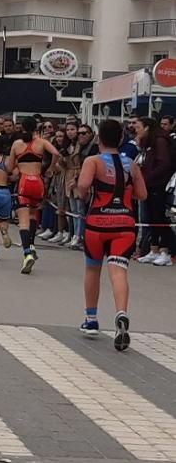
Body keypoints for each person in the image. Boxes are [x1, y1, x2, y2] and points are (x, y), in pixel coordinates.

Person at [77, 119, 147, 350]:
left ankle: (91, 319)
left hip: (97, 223)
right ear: (120, 139)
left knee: (93, 269)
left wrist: (84, 194)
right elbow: (142, 194)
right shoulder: (131, 164)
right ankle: (121, 314)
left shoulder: (93, 161)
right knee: (118, 272)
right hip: (124, 224)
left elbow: (83, 186)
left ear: (98, 138)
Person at [8, 117, 60, 275]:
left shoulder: (17, 144)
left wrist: (18, 165)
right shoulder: (41, 142)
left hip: (24, 181)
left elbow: (10, 167)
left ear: (22, 128)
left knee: (22, 220)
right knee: (32, 215)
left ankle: (27, 253)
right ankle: (31, 245)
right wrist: (50, 168)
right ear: (36, 128)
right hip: (38, 181)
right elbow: (56, 153)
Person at [132, 117, 175, 266]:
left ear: (147, 128)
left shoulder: (160, 141)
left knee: (159, 217)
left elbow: (164, 164)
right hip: (149, 184)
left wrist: (148, 177)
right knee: (151, 218)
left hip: (159, 185)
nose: (135, 130)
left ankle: (165, 251)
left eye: (138, 127)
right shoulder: (148, 143)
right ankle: (154, 249)